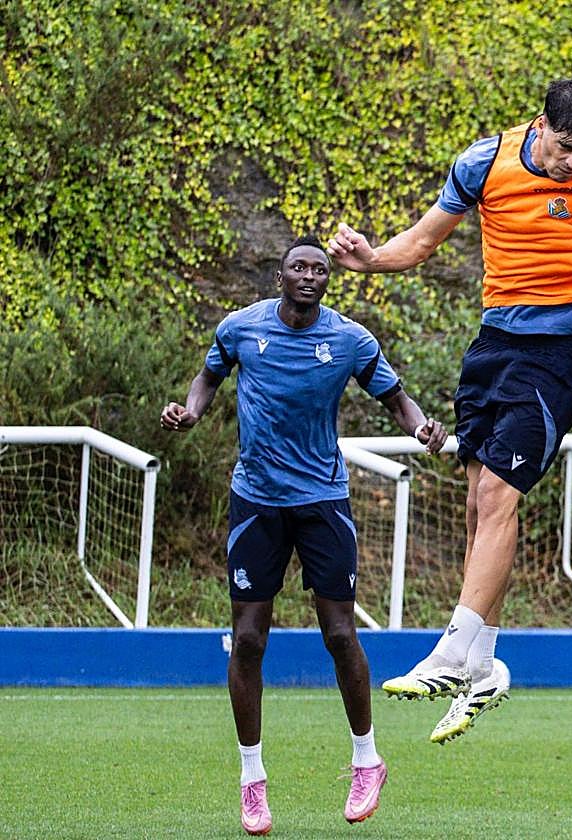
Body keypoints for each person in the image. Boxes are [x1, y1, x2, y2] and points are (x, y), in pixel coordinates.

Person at [327, 79, 572, 745]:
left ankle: (451, 652)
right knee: (478, 505)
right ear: (539, 124)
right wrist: (370, 259)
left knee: (499, 493)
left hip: (556, 355)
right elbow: (418, 244)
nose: (570, 164)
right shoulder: (482, 162)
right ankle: (484, 664)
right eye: (562, 149)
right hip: (492, 347)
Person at [160, 236, 447, 835]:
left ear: (326, 280)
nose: (311, 275)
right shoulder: (242, 328)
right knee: (248, 640)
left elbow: (396, 399)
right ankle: (251, 780)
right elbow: (207, 378)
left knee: (340, 634)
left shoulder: (349, 339)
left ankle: (368, 761)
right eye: (300, 266)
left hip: (322, 501)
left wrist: (423, 428)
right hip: (257, 502)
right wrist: (190, 412)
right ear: (281, 274)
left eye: (320, 268)